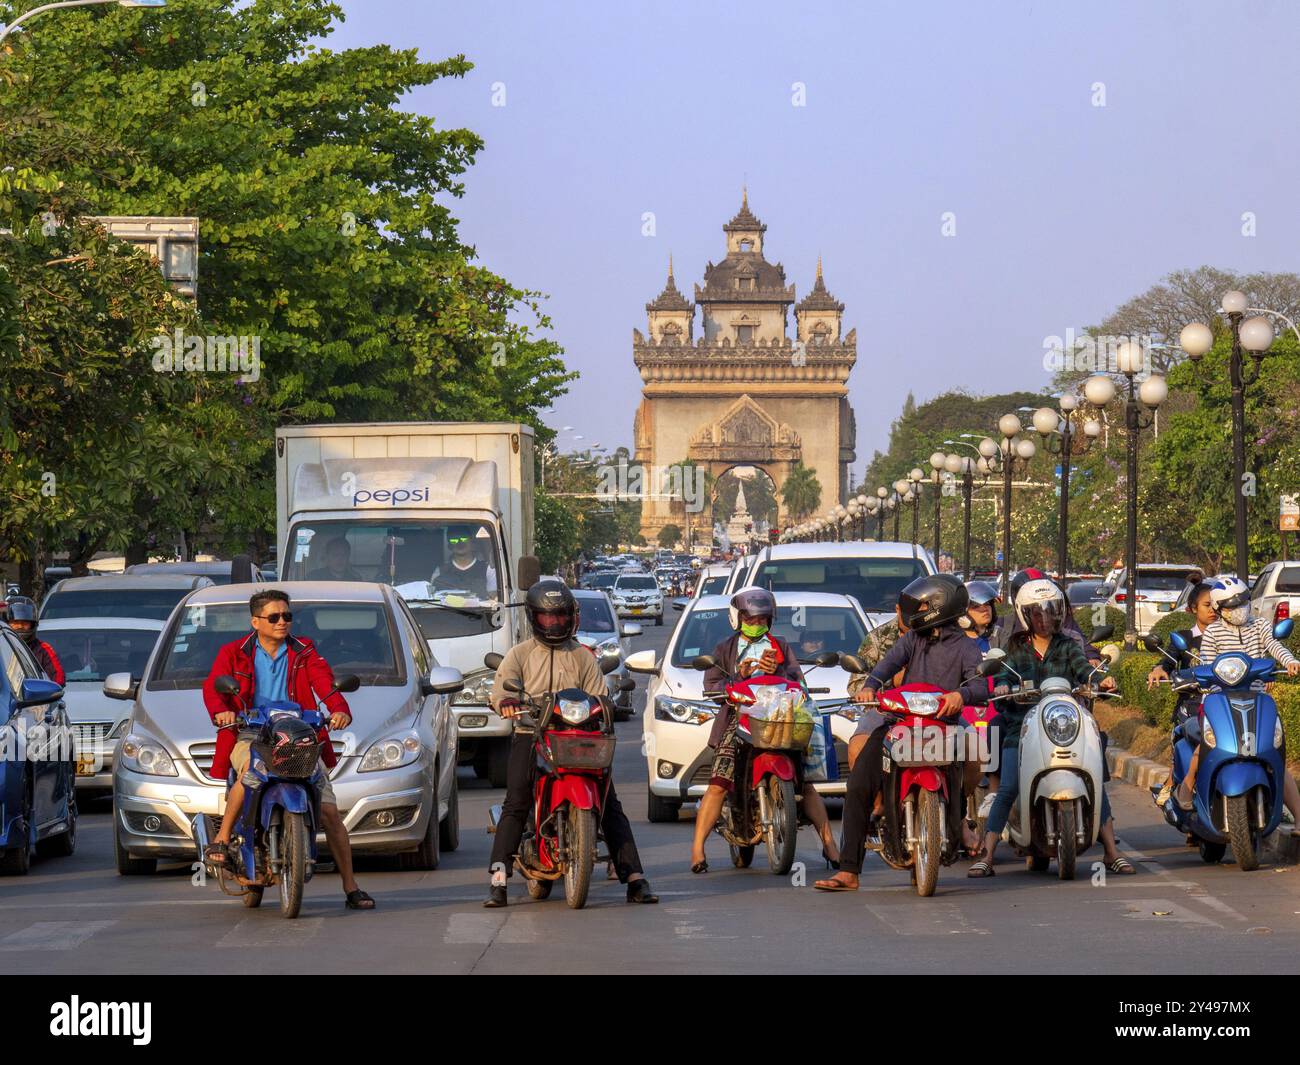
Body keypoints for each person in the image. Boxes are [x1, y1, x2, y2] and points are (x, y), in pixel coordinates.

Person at [486, 579, 658, 906]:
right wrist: (506, 702)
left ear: (571, 617)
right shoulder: (519, 655)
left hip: (577, 737)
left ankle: (635, 877)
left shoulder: (582, 657)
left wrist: (607, 703)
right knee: (517, 800)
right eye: (547, 617)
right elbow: (501, 692)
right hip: (531, 734)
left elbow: (599, 693)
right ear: (533, 618)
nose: (554, 623)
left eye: (561, 616)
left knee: (609, 802)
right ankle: (499, 877)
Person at [203, 590, 375, 910]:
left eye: (287, 616)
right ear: (256, 622)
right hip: (251, 736)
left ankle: (351, 886)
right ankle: (222, 838)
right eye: (274, 617)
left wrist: (339, 709)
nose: (282, 622)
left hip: (298, 736)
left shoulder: (304, 650)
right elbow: (214, 687)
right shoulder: (233, 652)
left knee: (329, 811)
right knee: (248, 775)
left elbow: (324, 683)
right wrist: (222, 712)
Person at [815, 575, 985, 892]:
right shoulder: (913, 640)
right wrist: (870, 687)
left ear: (938, 607)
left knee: (975, 758)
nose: (916, 610)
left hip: (944, 723)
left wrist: (961, 696)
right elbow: (885, 666)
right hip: (900, 720)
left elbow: (979, 682)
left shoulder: (966, 647)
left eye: (921, 605)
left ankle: (958, 820)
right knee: (860, 781)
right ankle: (849, 870)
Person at [966, 578, 1132, 878]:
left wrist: (1098, 681)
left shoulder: (1068, 645)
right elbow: (1003, 676)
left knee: (1093, 778)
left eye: (1051, 611)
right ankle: (987, 855)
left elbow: (1084, 670)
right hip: (1023, 725)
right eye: (1038, 613)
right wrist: (1003, 688)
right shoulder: (1015, 648)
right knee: (1008, 788)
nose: (1045, 619)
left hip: (1065, 723)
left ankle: (1111, 851)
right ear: (1025, 616)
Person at [689, 588, 841, 872]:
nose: (757, 625)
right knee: (718, 783)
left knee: (806, 784)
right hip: (737, 720)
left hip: (779, 719)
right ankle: (697, 848)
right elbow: (711, 685)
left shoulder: (781, 646)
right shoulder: (725, 648)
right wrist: (740, 677)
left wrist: (777, 671)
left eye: (762, 620)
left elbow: (798, 681)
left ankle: (830, 845)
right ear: (739, 619)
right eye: (751, 620)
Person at [1169, 576, 1300, 814]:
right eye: (1232, 606)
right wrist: (1197, 677)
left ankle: (1299, 817)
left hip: (1256, 700)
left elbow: (1275, 646)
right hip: (1220, 701)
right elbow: (1206, 662)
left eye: (1243, 602)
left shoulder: (1259, 626)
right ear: (1220, 609)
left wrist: (1290, 661)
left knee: (1274, 754)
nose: (1239, 609)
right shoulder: (1213, 633)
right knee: (1207, 744)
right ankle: (1187, 785)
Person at [1150, 582, 1214, 809]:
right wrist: (1159, 669)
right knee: (1185, 747)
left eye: (1216, 604)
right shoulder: (1184, 638)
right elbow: (1167, 660)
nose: (1212, 609)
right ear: (1193, 608)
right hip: (1193, 706)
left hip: (1223, 704)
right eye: (1207, 605)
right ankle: (1173, 784)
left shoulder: (1230, 636)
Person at [6, 597, 64, 685]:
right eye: (15, 623)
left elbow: (58, 680)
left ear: (33, 624)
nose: (20, 626)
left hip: (34, 698)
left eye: (25, 623)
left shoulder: (43, 649)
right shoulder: (2, 646)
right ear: (6, 623)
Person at [431, 525, 497, 599]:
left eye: (464, 539)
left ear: (472, 542)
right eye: (454, 540)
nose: (459, 543)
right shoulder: (439, 571)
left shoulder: (488, 570)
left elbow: (493, 600)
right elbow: (432, 599)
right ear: (449, 546)